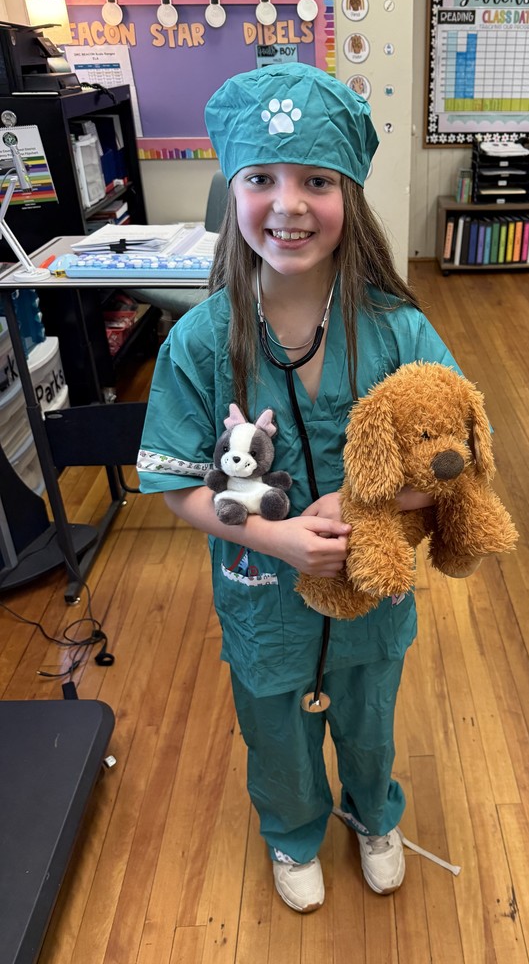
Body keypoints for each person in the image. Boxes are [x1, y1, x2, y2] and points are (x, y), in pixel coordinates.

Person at [137, 63, 463, 914]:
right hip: (262, 595)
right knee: (274, 729)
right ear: (232, 191)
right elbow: (175, 484)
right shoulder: (202, 343)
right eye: (260, 179)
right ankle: (290, 833)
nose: (288, 204)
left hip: (371, 591)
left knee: (369, 715)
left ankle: (371, 813)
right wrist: (273, 537)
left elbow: (457, 467)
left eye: (316, 180)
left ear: (349, 194)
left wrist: (376, 505)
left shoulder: (401, 331)